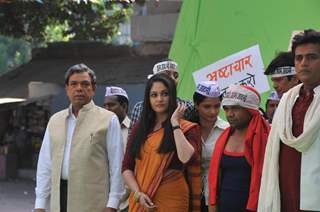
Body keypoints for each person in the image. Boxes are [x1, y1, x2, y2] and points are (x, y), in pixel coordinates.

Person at [34, 64, 125, 212]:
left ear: (93, 89)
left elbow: (117, 164)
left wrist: (113, 203)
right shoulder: (55, 120)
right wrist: (40, 204)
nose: (79, 88)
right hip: (59, 199)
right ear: (67, 89)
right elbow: (45, 164)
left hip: (93, 202)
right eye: (74, 84)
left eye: (85, 84)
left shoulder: (108, 119)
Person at [258, 29, 320, 212]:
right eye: (299, 58)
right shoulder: (287, 100)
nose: (304, 63)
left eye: (311, 57)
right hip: (285, 197)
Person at [122, 73, 202, 212]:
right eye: (154, 95)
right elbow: (126, 167)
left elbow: (185, 157)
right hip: (142, 198)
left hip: (173, 200)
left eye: (164, 94)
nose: (159, 99)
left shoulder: (186, 128)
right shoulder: (139, 129)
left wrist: (174, 124)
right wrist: (138, 194)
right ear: (148, 98)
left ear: (172, 96)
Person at [208, 85, 270, 212]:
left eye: (235, 108)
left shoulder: (266, 137)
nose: (229, 114)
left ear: (250, 110)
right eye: (226, 109)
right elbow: (216, 180)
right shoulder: (224, 138)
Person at [188, 81, 229, 211]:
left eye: (217, 106)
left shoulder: (227, 130)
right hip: (190, 192)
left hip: (219, 193)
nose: (213, 111)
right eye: (207, 107)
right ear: (196, 105)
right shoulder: (186, 129)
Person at [129, 59, 193, 133]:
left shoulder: (187, 107)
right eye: (166, 75)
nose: (173, 79)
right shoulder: (140, 108)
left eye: (176, 75)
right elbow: (132, 140)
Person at [104, 86, 131, 151]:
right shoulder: (102, 129)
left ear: (124, 106)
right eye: (105, 106)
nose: (106, 109)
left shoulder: (134, 129)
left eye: (111, 105)